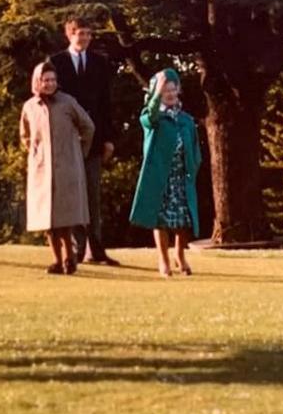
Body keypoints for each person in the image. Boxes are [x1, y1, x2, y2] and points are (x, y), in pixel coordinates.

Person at [47, 18, 118, 266]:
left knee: (92, 196)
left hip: (94, 140)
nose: (85, 38)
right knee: (73, 196)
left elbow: (106, 102)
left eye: (88, 33)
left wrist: (108, 139)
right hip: (67, 142)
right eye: (80, 33)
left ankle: (96, 250)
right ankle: (76, 250)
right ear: (69, 35)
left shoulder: (100, 63)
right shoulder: (56, 63)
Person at [20, 61, 95, 274]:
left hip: (67, 167)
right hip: (42, 170)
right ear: (37, 81)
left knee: (65, 218)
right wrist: (35, 153)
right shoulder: (30, 107)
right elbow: (25, 135)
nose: (50, 84)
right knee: (47, 220)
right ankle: (56, 260)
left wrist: (79, 152)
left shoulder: (67, 102)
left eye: (53, 80)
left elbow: (88, 126)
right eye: (45, 80)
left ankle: (70, 258)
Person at [129, 68, 202, 277]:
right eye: (164, 90)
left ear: (178, 90)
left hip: (182, 176)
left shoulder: (186, 120)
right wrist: (156, 91)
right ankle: (164, 259)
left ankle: (180, 254)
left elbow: (195, 148)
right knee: (160, 220)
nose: (169, 94)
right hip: (160, 177)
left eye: (172, 89)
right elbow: (149, 116)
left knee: (183, 220)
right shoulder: (153, 117)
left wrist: (194, 166)